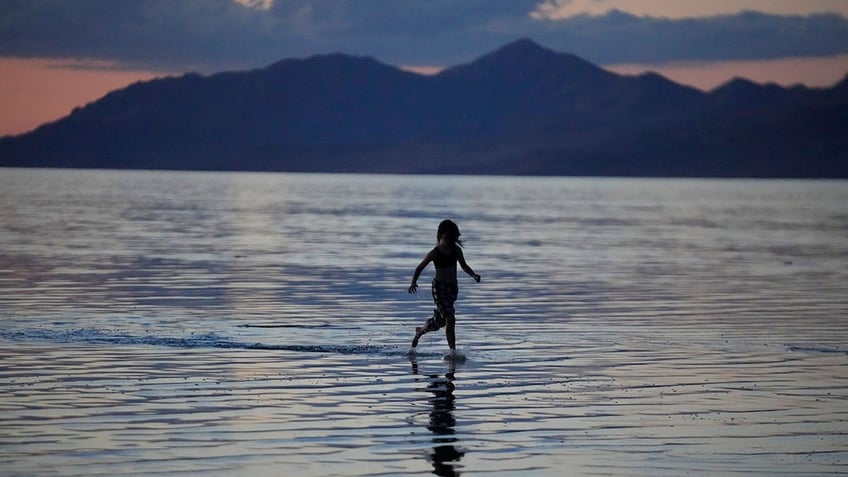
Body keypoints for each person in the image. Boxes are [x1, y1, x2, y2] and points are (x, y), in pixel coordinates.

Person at [408, 219, 481, 350]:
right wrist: (413, 282)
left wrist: (474, 275)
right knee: (450, 318)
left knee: (441, 321)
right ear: (442, 236)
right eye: (448, 238)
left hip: (452, 289)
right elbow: (420, 267)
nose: (450, 242)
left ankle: (420, 330)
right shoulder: (435, 252)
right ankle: (453, 352)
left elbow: (464, 266)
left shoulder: (456, 250)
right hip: (439, 289)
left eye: (453, 239)